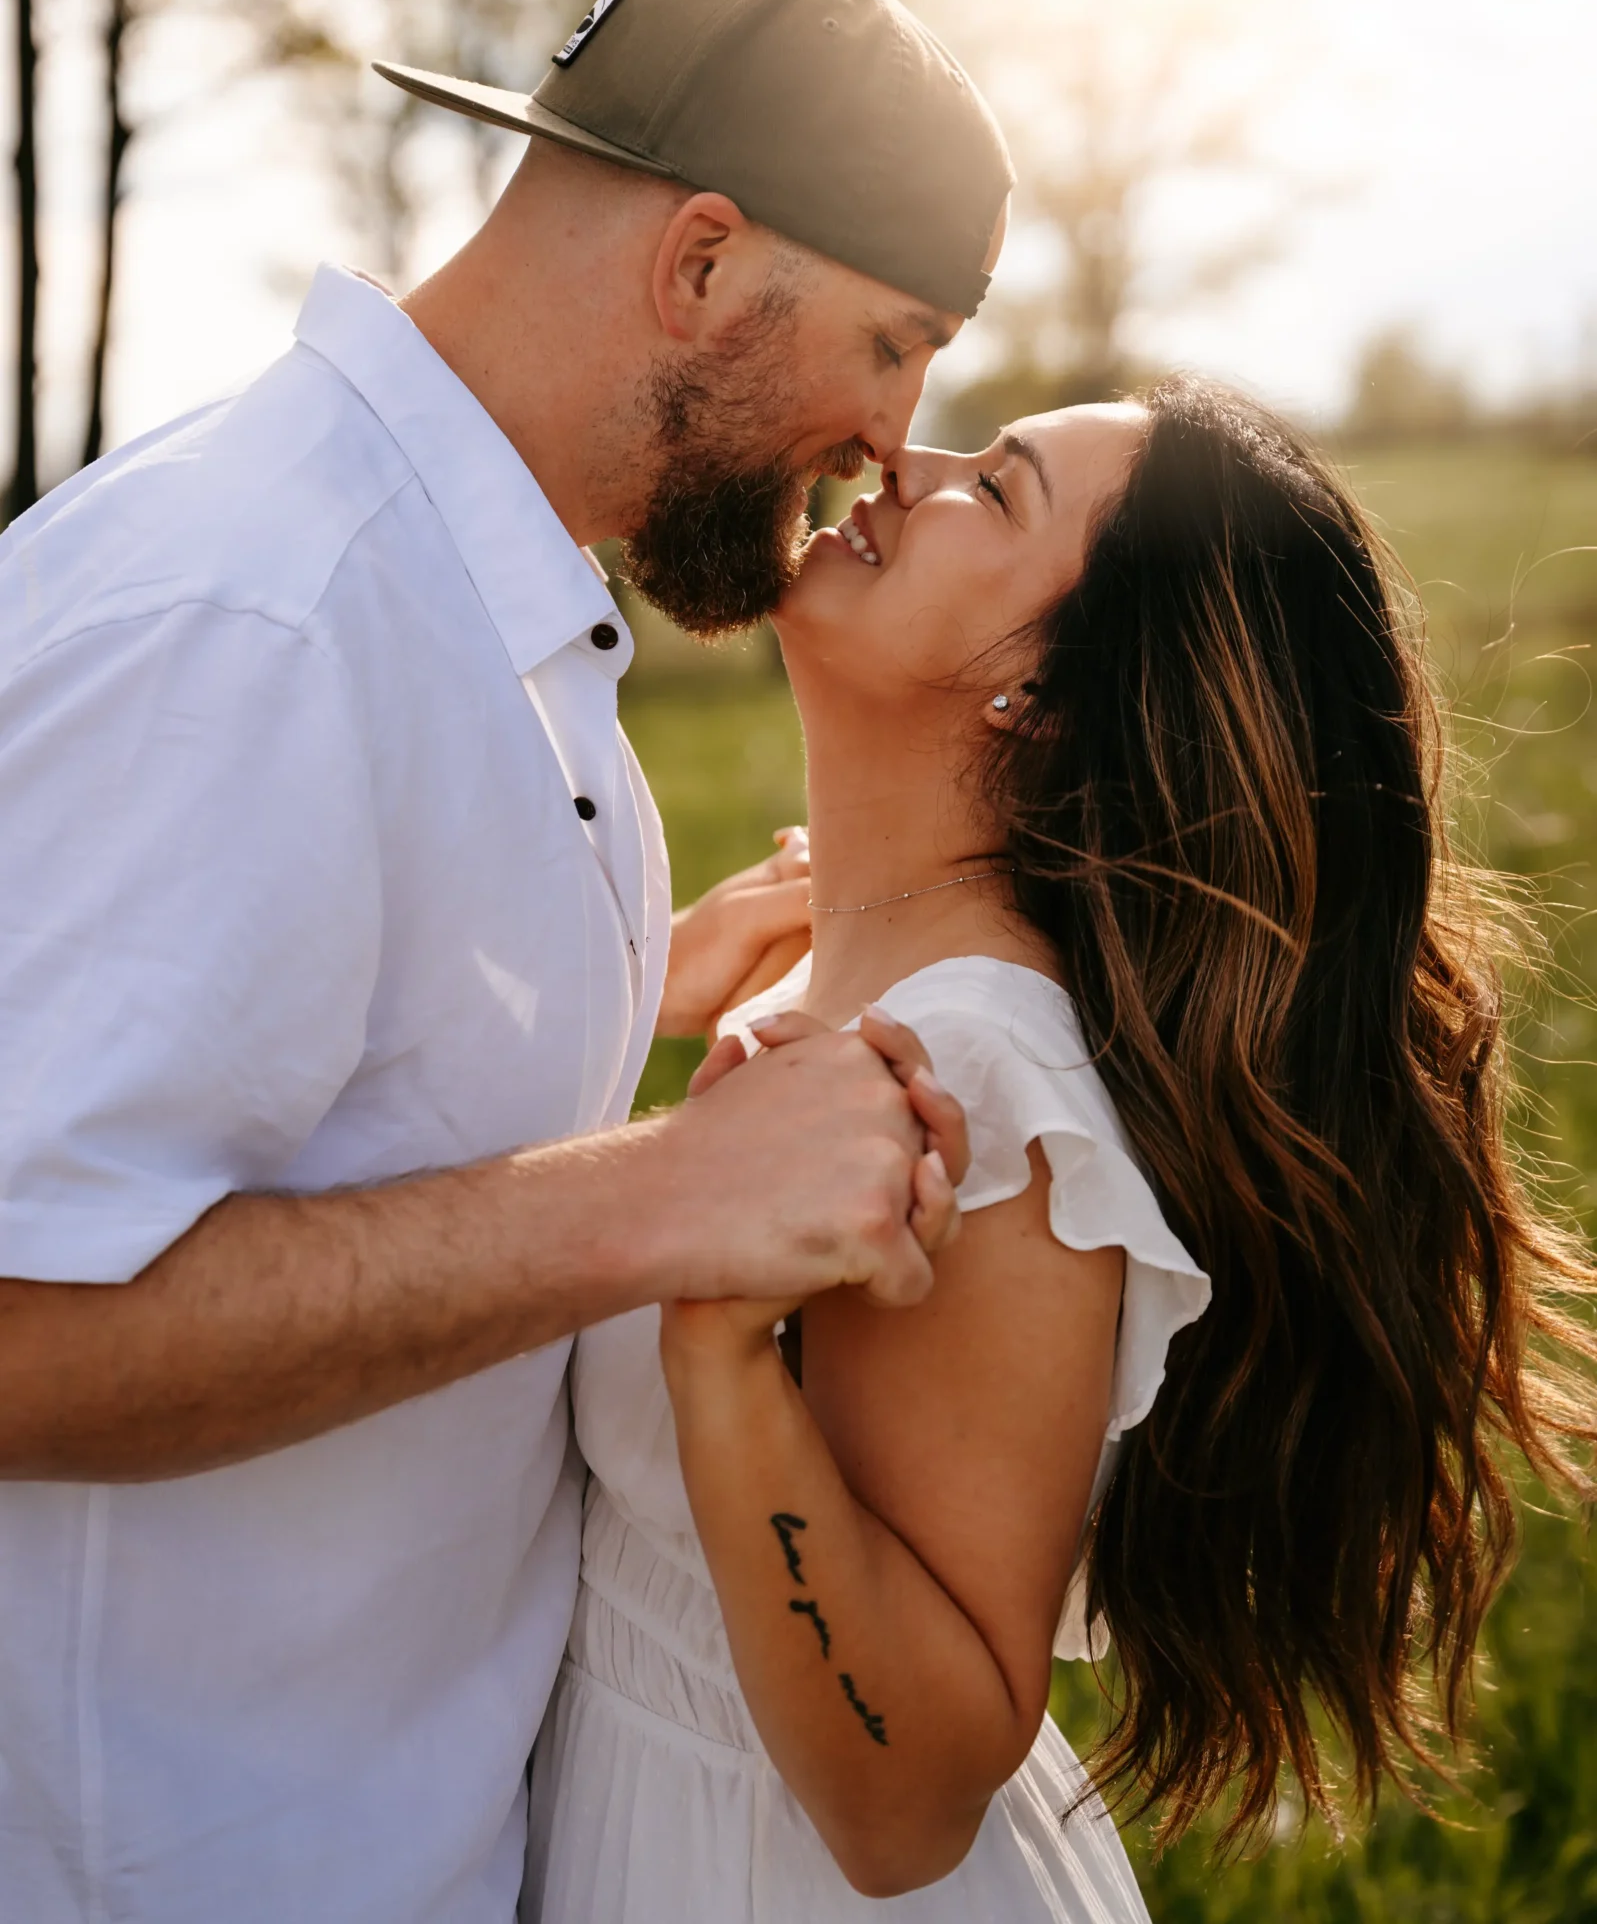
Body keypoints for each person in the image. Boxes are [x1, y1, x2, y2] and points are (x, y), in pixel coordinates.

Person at [0, 0, 1012, 1924]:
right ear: (701, 265)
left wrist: (612, 995)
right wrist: (658, 1191)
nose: (897, 440)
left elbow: (291, 1110)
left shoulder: (469, 597)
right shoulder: (263, 614)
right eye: (895, 342)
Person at [526, 378, 1597, 1922]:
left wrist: (718, 1348)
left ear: (1042, 692)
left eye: (999, 487)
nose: (912, 454)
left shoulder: (979, 1085)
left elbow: (905, 1802)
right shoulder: (840, 1009)